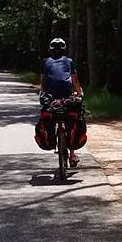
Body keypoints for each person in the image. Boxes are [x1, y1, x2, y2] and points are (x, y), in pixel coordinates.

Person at [40, 38, 84, 167]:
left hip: (50, 96)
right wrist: (79, 93)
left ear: (50, 49)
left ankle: (53, 140)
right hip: (66, 96)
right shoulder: (69, 61)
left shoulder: (45, 62)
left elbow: (43, 82)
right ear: (64, 49)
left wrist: (43, 95)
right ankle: (72, 155)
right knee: (71, 120)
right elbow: (75, 81)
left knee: (50, 115)